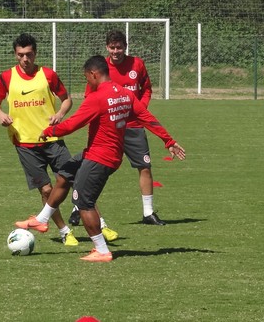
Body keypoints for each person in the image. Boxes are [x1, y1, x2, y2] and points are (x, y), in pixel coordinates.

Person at [15, 55, 186, 262]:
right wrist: (168, 141)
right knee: (65, 173)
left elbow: (73, 124)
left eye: (87, 78)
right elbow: (147, 117)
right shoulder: (125, 94)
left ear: (93, 74)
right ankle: (42, 220)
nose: (88, 82)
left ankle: (102, 250)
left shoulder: (97, 98)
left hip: (100, 158)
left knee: (83, 201)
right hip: (101, 153)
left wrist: (50, 131)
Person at [69, 30, 166, 227]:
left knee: (144, 166)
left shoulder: (137, 64)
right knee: (91, 165)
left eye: (119, 47)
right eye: (112, 47)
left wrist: (141, 107)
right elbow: (89, 97)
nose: (116, 51)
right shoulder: (100, 68)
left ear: (125, 47)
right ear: (107, 47)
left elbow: (146, 88)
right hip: (108, 127)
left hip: (133, 126)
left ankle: (148, 213)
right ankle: (78, 208)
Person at [0, 32, 78, 246]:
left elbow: (67, 100)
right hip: (25, 143)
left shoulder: (48, 74)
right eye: (20, 55)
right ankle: (64, 231)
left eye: (29, 54)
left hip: (52, 139)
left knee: (74, 180)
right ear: (15, 55)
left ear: (35, 53)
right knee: (46, 189)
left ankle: (98, 223)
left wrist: (60, 114)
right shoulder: (7, 77)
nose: (25, 59)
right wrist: (0, 115)